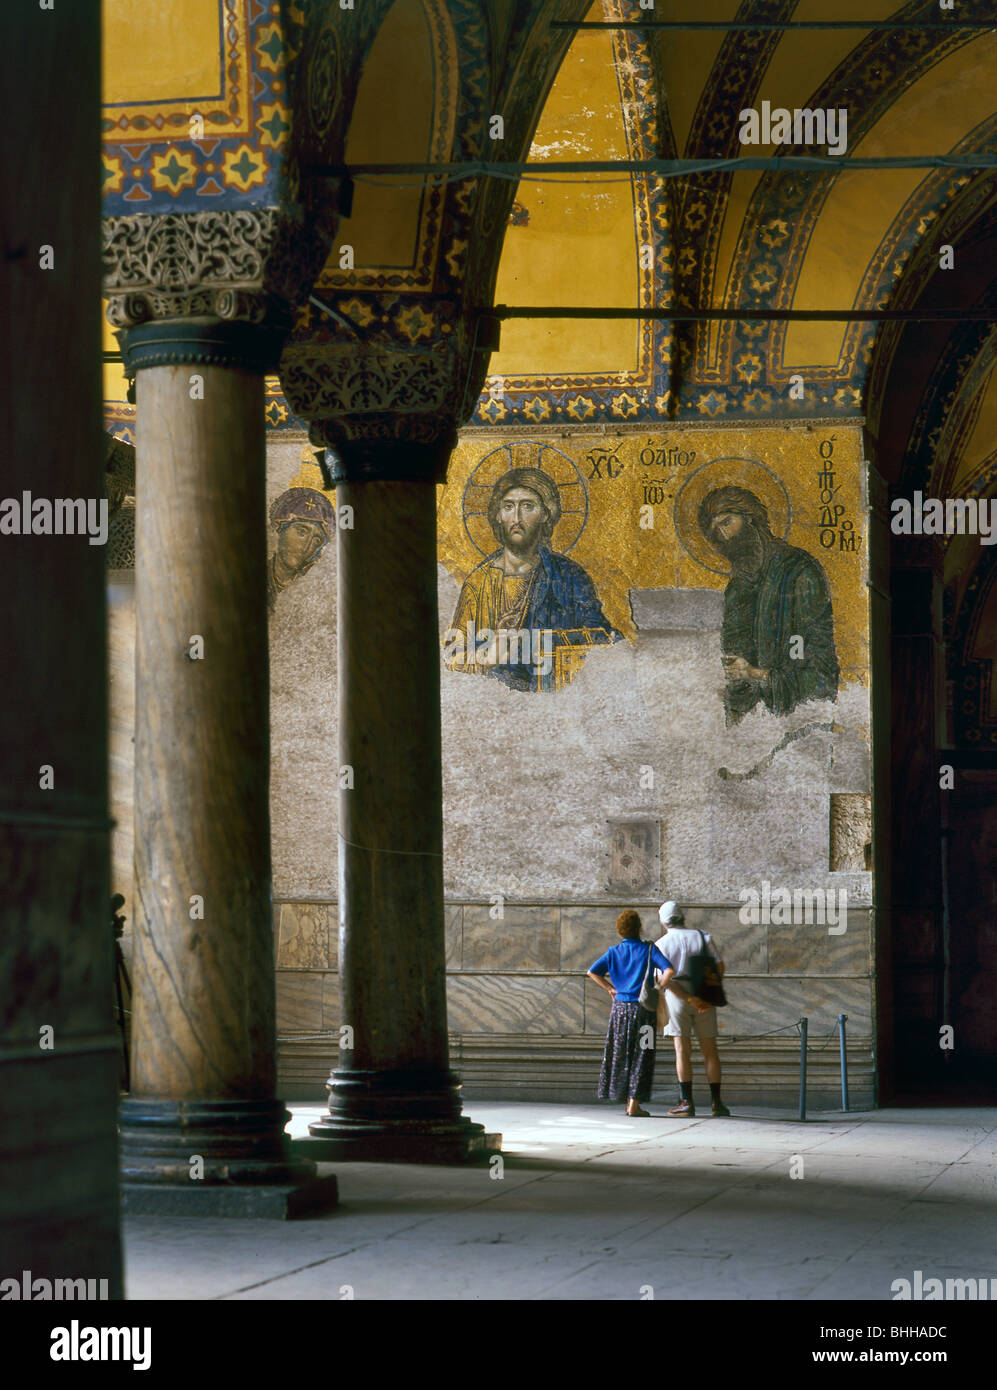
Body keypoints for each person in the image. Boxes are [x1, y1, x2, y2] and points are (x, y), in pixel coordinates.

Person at [445, 466, 619, 691]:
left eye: (527, 506)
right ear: (498, 515)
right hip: (495, 700)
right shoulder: (479, 583)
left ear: (546, 513)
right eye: (508, 507)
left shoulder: (569, 576)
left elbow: (602, 639)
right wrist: (486, 658)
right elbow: (452, 656)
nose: (516, 518)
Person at [698, 485, 838, 724]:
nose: (723, 537)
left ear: (750, 518)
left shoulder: (799, 571)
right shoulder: (737, 589)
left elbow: (819, 674)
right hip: (755, 726)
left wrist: (756, 674)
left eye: (726, 522)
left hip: (801, 719)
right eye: (714, 533)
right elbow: (736, 662)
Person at [588, 910, 671, 1117]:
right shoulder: (649, 950)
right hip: (644, 1011)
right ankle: (634, 1103)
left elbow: (592, 972)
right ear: (640, 928)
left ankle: (625, 1099)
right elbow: (669, 970)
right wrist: (659, 987)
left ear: (620, 931)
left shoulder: (613, 952)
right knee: (643, 1053)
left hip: (620, 1011)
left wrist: (610, 988)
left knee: (621, 1053)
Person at [655, 901, 730, 1117]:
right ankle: (717, 1103)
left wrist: (688, 999)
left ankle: (686, 1102)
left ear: (664, 920)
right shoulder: (702, 936)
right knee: (710, 1050)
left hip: (677, 996)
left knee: (682, 1050)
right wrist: (706, 993)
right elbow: (720, 966)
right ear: (681, 916)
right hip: (704, 995)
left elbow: (662, 980)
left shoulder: (661, 943)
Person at [267, 487, 336, 611]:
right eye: (301, 532)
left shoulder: (314, 592)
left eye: (316, 540)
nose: (306, 546)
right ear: (280, 528)